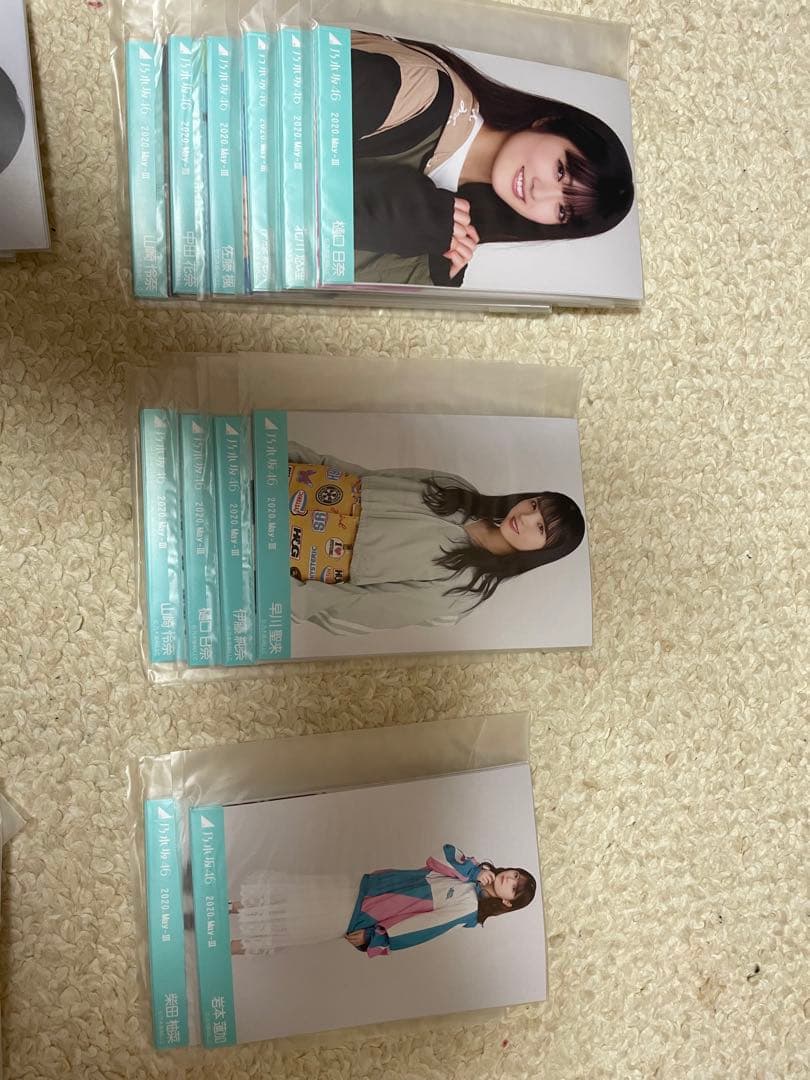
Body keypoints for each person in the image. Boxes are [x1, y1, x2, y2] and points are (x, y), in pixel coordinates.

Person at [351, 32, 635, 286]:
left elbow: (332, 279)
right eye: (560, 171)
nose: (539, 192)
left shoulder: (442, 221)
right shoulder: (424, 92)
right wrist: (405, 215)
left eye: (562, 211)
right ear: (548, 122)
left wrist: (427, 274)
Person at [288, 441, 585, 635]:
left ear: (544, 551)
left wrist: (280, 596)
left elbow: (358, 610)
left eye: (541, 528)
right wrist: (287, 454)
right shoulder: (456, 489)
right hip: (294, 482)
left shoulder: (464, 590)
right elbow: (365, 477)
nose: (526, 518)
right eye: (533, 505)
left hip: (290, 555)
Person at [230, 844, 537, 958]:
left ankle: (224, 949)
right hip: (370, 887)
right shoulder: (470, 873)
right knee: (300, 897)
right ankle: (228, 909)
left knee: (299, 923)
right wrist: (474, 871)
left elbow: (423, 929)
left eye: (515, 888)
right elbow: (439, 857)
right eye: (514, 875)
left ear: (508, 903)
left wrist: (373, 938)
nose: (509, 880)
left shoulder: (469, 908)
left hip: (368, 912)